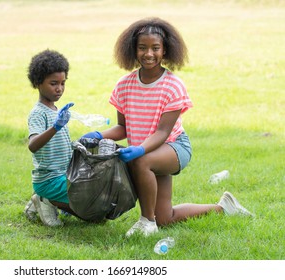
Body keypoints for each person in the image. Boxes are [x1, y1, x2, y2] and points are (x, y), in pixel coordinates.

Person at [81, 17, 252, 237]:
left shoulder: (173, 85)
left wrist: (141, 149)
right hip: (148, 151)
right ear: (133, 50)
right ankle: (224, 207)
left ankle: (146, 222)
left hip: (173, 147)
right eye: (142, 48)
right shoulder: (124, 85)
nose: (148, 54)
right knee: (165, 218)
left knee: (141, 162)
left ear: (165, 51)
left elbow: (163, 132)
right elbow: (123, 128)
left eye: (155, 48)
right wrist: (98, 135)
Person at [24, 49, 76, 227]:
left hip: (62, 176)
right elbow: (33, 145)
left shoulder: (56, 110)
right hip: (49, 180)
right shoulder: (38, 113)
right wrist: (55, 127)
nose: (59, 88)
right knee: (86, 202)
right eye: (53, 83)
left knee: (94, 208)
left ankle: (49, 201)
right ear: (38, 83)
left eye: (63, 83)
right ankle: (46, 200)